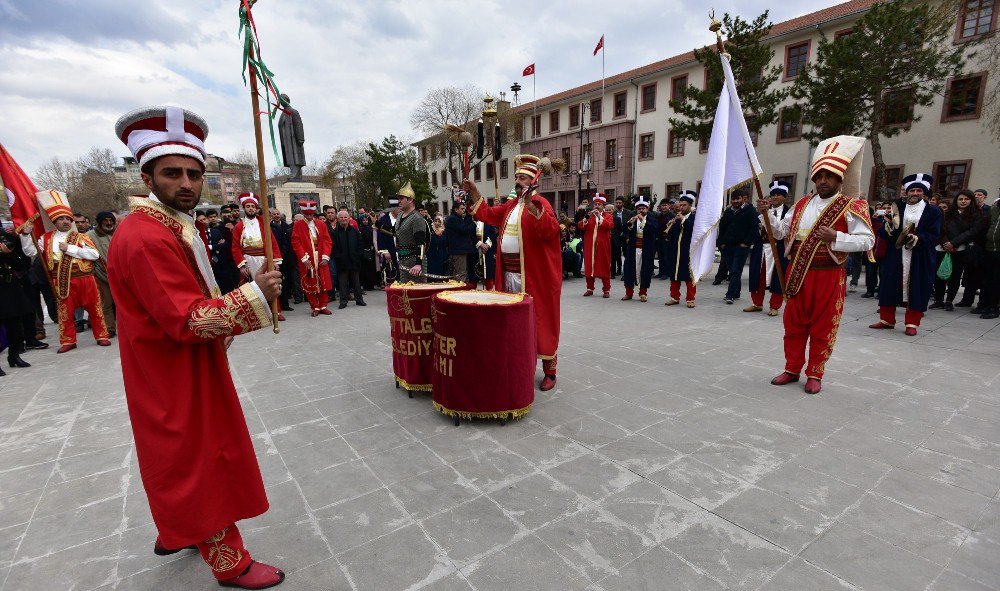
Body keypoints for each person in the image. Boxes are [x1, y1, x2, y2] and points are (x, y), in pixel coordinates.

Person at [110, 105, 284, 589]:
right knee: (198, 458)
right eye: (172, 173)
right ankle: (231, 563)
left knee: (177, 454)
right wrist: (256, 295)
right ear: (148, 176)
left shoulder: (167, 223)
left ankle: (179, 528)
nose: (186, 183)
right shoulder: (146, 236)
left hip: (172, 363)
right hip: (173, 366)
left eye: (193, 173)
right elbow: (186, 319)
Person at [763, 135, 875, 395]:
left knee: (823, 326)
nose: (823, 181)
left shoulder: (851, 206)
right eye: (819, 176)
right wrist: (766, 214)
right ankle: (792, 368)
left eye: (830, 176)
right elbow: (781, 233)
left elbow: (867, 240)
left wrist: (837, 236)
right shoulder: (802, 204)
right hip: (798, 272)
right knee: (793, 323)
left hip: (828, 274)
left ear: (839, 179)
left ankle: (815, 372)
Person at [465, 154, 562, 391]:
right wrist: (475, 192)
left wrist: (531, 204)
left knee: (541, 320)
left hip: (533, 276)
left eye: (522, 178)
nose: (517, 181)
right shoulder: (510, 206)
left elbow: (550, 231)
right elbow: (487, 214)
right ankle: (518, 362)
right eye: (516, 178)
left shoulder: (541, 203)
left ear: (532, 181)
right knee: (514, 321)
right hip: (507, 275)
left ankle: (550, 370)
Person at [21, 190, 111, 353]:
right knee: (65, 313)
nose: (65, 221)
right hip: (62, 280)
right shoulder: (45, 238)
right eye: (61, 219)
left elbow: (94, 255)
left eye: (67, 219)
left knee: (95, 309)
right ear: (54, 221)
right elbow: (31, 252)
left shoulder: (81, 237)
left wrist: (70, 249)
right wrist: (26, 235)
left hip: (85, 278)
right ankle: (68, 340)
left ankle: (101, 335)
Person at [871, 173, 942, 336]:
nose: (915, 193)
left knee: (917, 287)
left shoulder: (933, 211)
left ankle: (912, 323)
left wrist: (918, 238)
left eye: (918, 191)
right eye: (912, 190)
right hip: (895, 254)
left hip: (919, 256)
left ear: (923, 193)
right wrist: (887, 226)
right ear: (907, 192)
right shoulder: (897, 207)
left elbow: (934, 234)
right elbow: (883, 232)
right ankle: (886, 320)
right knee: (888, 284)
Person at [930, 190, 986, 311]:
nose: (963, 201)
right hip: (942, 247)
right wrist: (946, 243)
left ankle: (949, 301)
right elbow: (940, 228)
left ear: (971, 201)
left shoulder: (976, 215)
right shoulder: (948, 212)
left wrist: (953, 243)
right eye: (960, 199)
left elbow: (972, 232)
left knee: (954, 277)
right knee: (939, 275)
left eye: (966, 199)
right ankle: (938, 300)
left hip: (959, 249)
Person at [746, 182, 790, 315]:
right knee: (757, 276)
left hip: (779, 248)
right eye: (773, 194)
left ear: (784, 197)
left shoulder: (789, 213)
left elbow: (785, 232)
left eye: (779, 194)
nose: (775, 197)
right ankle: (757, 303)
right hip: (762, 248)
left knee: (778, 277)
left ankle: (774, 306)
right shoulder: (761, 211)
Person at [0, 221, 35, 373]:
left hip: (10, 290)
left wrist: (7, 254)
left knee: (15, 325)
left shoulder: (5, 245)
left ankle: (14, 355)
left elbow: (21, 266)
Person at [291, 200, 333, 316]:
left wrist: (325, 256)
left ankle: (323, 305)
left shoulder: (321, 224)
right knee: (310, 281)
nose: (309, 217)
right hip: (308, 258)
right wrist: (304, 258)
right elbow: (295, 242)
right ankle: (315, 306)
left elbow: (327, 240)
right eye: (307, 214)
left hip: (320, 256)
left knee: (323, 281)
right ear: (304, 213)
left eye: (311, 214)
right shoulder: (298, 225)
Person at [662, 192, 698, 307]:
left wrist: (683, 220)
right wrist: (670, 226)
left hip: (688, 251)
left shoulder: (694, 218)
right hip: (675, 250)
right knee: (674, 274)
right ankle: (674, 297)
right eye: (680, 205)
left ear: (690, 206)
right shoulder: (676, 218)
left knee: (689, 275)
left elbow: (694, 230)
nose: (681, 207)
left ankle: (690, 299)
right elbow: (670, 235)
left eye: (684, 205)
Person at [621, 196, 658, 301]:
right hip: (633, 249)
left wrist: (643, 222)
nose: (641, 210)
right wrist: (630, 224)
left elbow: (654, 229)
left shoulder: (652, 218)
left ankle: (643, 293)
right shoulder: (632, 217)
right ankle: (629, 293)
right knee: (629, 271)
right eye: (639, 208)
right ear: (636, 209)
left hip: (646, 250)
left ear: (647, 208)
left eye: (643, 208)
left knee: (645, 271)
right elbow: (624, 230)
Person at [724, 189, 757, 304]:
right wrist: (721, 243)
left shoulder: (751, 211)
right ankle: (736, 291)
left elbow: (754, 228)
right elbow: (722, 227)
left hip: (741, 246)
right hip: (727, 246)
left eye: (737, 199)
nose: (735, 201)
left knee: (735, 270)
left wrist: (746, 243)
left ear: (743, 199)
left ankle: (730, 295)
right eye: (733, 199)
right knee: (731, 269)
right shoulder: (728, 212)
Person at [88, 211, 118, 336]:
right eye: (105, 220)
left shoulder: (117, 232)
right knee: (107, 303)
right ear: (100, 222)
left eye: (110, 220)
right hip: (102, 274)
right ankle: (110, 329)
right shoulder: (90, 235)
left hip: (119, 274)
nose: (108, 223)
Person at [578, 193, 613, 298]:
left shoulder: (608, 216)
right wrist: (585, 219)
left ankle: (606, 290)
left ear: (603, 206)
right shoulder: (589, 215)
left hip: (603, 247)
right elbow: (580, 226)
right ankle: (589, 288)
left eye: (599, 204)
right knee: (589, 266)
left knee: (604, 266)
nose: (597, 206)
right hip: (590, 246)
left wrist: (599, 217)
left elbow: (609, 226)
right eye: (595, 204)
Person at [394, 181, 429, 283]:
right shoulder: (400, 215)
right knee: (405, 295)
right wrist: (377, 223)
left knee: (418, 294)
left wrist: (418, 263)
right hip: (403, 260)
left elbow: (421, 243)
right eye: (398, 198)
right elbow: (395, 232)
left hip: (415, 262)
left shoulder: (417, 218)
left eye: (401, 198)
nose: (398, 201)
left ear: (410, 200)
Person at [330, 210, 366, 308]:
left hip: (354, 260)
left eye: (345, 217)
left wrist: (359, 256)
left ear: (349, 218)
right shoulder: (334, 233)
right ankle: (343, 301)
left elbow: (360, 244)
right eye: (341, 217)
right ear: (338, 219)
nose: (343, 219)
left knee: (356, 282)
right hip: (342, 262)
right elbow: (333, 248)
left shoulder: (354, 231)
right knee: (343, 283)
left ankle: (359, 300)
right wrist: (339, 258)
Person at [206, 208, 239, 294]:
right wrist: (216, 245)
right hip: (214, 261)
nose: (213, 218)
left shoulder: (227, 226)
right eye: (210, 217)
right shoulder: (207, 229)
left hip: (229, 258)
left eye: (214, 216)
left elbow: (225, 243)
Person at [269, 207, 296, 312]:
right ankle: (276, 305)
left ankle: (285, 304)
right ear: (271, 215)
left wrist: (284, 252)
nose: (276, 215)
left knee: (285, 281)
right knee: (275, 281)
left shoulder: (286, 226)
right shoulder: (269, 227)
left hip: (285, 257)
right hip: (274, 258)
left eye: (277, 214)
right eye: (274, 214)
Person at [445, 199, 476, 285]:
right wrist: (472, 222)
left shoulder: (458, 219)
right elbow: (465, 230)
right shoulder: (453, 219)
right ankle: (459, 291)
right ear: (456, 209)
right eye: (462, 209)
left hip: (462, 251)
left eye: (464, 209)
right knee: (460, 275)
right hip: (458, 252)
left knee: (462, 273)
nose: (464, 211)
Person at [978, 198, 1000, 319]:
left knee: (997, 281)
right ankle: (984, 305)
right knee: (987, 279)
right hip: (989, 249)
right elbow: (986, 226)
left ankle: (993, 307)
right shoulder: (994, 209)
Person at [712, 196, 740, 285]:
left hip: (737, 243)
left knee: (734, 267)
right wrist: (721, 243)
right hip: (726, 243)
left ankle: (732, 281)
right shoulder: (726, 215)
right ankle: (720, 277)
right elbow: (722, 229)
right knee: (724, 262)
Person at [611, 196, 631, 278]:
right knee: (616, 254)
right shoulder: (613, 213)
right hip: (617, 237)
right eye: (617, 203)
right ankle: (618, 269)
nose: (618, 204)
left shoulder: (628, 212)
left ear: (623, 203)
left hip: (625, 236)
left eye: (620, 203)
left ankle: (625, 270)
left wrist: (628, 236)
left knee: (626, 253)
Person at [358, 213, 378, 291]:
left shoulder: (370, 228)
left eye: (366, 220)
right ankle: (366, 284)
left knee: (371, 269)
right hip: (365, 251)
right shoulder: (360, 229)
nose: (365, 221)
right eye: (363, 220)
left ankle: (371, 284)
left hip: (371, 250)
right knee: (365, 269)